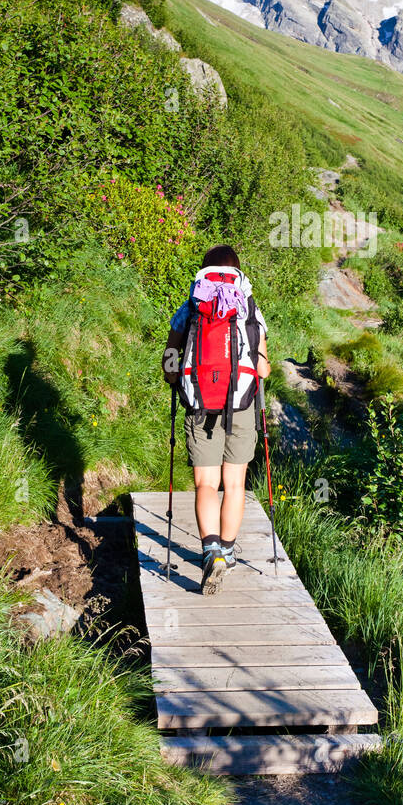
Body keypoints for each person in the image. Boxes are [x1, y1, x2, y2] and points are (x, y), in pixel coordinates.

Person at [162, 245, 271, 594]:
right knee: (234, 484)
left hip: (199, 403)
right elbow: (263, 367)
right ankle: (226, 550)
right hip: (240, 403)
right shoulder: (248, 307)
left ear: (204, 271)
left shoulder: (192, 306)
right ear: (238, 272)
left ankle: (210, 551)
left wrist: (176, 376)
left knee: (206, 484)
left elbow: (169, 362)